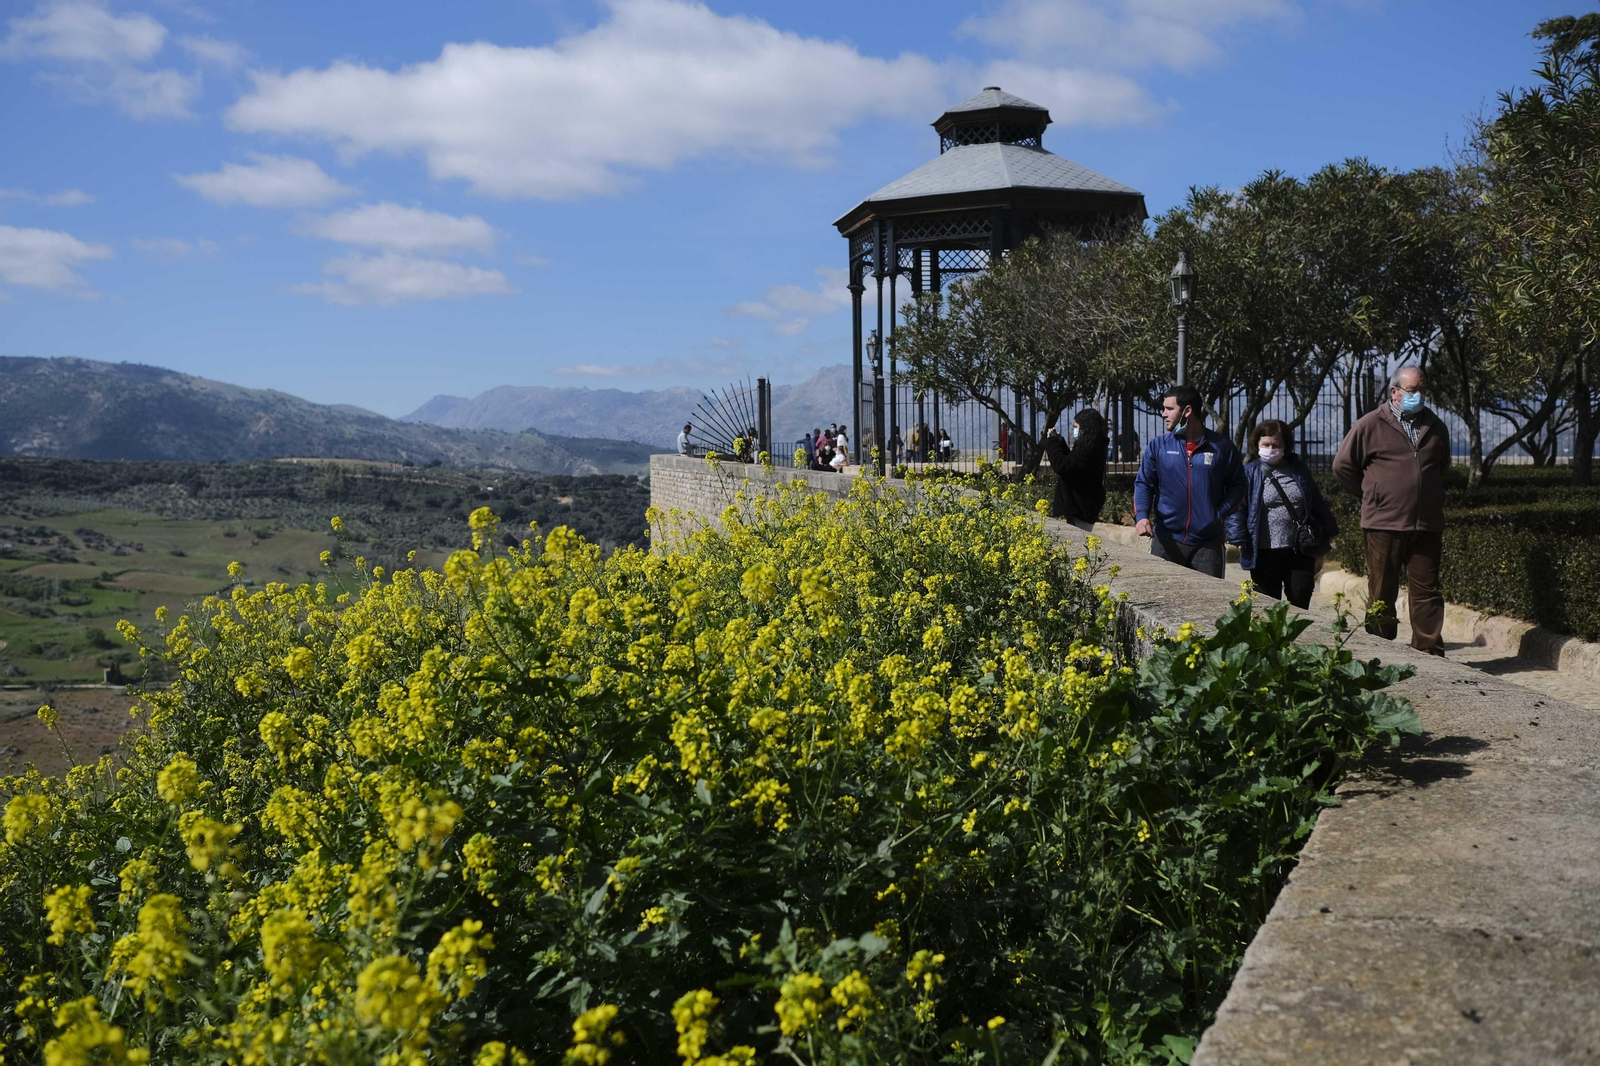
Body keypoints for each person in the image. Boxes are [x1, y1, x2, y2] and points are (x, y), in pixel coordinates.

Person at [1332, 365, 1450, 654]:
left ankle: (1429, 651)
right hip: (1383, 524)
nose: (1419, 396)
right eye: (1412, 391)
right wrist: (1372, 495)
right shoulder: (1370, 424)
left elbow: (1441, 467)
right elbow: (1342, 466)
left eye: (1423, 390)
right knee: (1382, 590)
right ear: (1395, 392)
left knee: (1427, 592)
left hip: (1426, 524)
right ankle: (1379, 650)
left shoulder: (1436, 426)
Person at [1133, 385, 1245, 578]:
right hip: (1166, 540)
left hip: (1208, 544)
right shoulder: (1158, 446)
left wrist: (1218, 513)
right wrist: (1142, 516)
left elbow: (1239, 485)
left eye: (1169, 409)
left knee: (1207, 604)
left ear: (1187, 411)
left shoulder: (1222, 447)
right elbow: (1144, 483)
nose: (1163, 414)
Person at [1227, 419, 1338, 609]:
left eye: (1276, 445)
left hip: (1298, 548)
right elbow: (1237, 506)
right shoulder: (1249, 473)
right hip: (1263, 551)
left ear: (1285, 446)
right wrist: (1238, 536)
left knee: (1300, 597)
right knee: (1268, 605)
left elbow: (1315, 501)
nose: (1271, 448)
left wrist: (1329, 531)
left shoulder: (1299, 470)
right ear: (1257, 445)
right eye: (1266, 444)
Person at [1043, 408, 1109, 531]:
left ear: (1085, 428)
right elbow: (1072, 464)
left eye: (1076, 427)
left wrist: (1052, 442)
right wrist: (1060, 443)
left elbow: (1062, 465)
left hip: (1081, 507)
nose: (1074, 430)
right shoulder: (1092, 447)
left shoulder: (1089, 450)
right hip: (1081, 506)